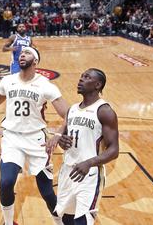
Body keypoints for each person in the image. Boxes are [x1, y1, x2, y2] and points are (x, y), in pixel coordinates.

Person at [0, 47, 69, 225]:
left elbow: (68, 113)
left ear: (35, 61)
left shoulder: (46, 85)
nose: (22, 55)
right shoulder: (8, 81)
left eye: (27, 53)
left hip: (36, 139)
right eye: (21, 53)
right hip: (12, 138)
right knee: (6, 183)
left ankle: (60, 222)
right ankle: (9, 223)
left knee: (46, 192)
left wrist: (59, 133)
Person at [54, 69, 119, 224]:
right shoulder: (72, 110)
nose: (81, 79)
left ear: (98, 85)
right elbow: (72, 142)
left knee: (83, 220)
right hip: (68, 171)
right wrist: (63, 142)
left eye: (87, 77)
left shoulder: (105, 111)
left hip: (90, 174)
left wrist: (89, 162)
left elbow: (114, 150)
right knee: (63, 218)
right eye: (81, 76)